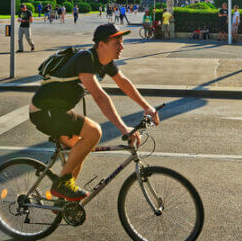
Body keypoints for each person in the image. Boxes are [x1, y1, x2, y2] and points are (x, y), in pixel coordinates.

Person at [28, 23, 159, 200]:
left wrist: (147, 107)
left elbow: (123, 83)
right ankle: (61, 185)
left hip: (56, 111)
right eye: (117, 43)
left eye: (122, 42)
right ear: (101, 45)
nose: (122, 47)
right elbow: (99, 96)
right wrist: (123, 128)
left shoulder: (105, 63)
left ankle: (63, 204)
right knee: (94, 131)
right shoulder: (85, 58)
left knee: (79, 153)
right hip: (45, 112)